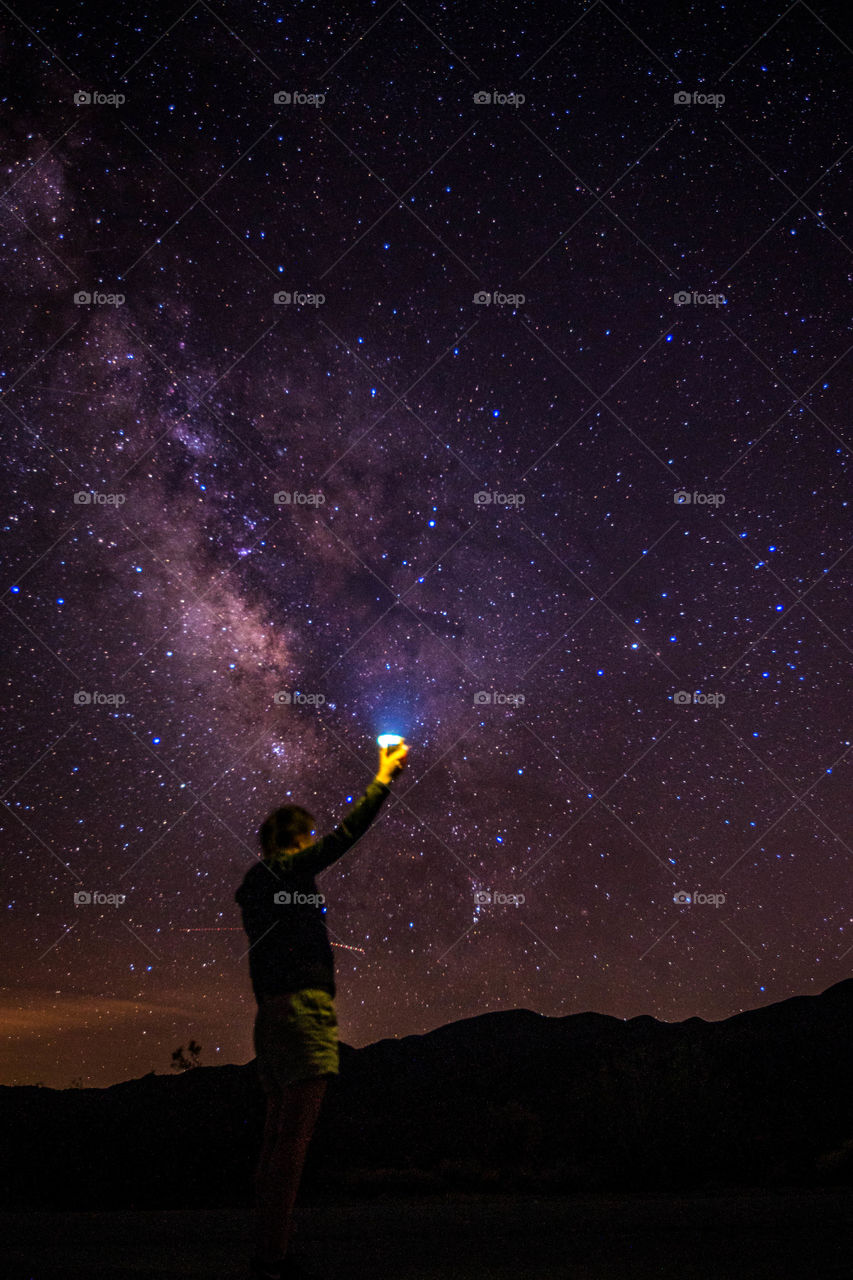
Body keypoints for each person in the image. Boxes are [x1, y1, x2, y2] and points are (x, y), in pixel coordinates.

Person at [235, 739, 409, 1280]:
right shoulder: (286, 872)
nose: (313, 842)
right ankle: (273, 1258)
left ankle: (267, 1249)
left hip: (270, 1017)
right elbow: (343, 838)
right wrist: (383, 779)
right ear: (294, 839)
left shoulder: (255, 886)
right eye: (306, 836)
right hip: (303, 1011)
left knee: (276, 1138)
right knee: (294, 1139)